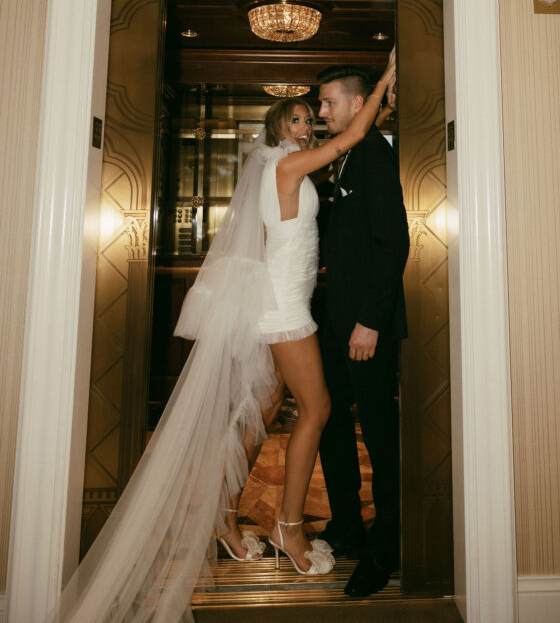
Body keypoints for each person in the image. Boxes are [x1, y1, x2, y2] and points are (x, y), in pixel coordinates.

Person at [44, 54, 396, 623]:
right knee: (318, 408)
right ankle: (288, 528)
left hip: (284, 302)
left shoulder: (287, 166)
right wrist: (384, 82)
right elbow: (354, 132)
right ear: (280, 127)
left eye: (313, 117)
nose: (310, 125)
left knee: (261, 408)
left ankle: (224, 515)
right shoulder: (287, 167)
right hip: (285, 310)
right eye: (300, 119)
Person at [316, 63, 409, 599]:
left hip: (365, 325)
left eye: (329, 102)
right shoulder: (351, 151)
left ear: (356, 104)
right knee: (329, 421)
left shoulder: (373, 155)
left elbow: (391, 242)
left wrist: (370, 321)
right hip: (337, 322)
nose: (323, 111)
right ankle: (348, 527)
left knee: (378, 434)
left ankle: (386, 549)